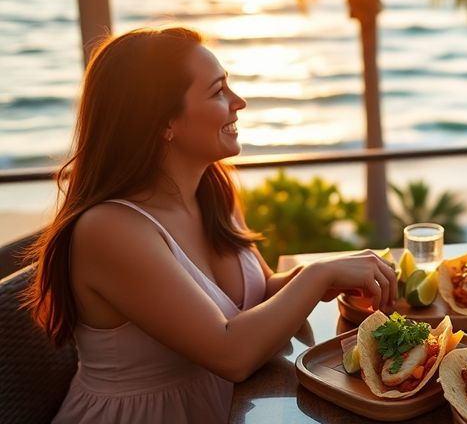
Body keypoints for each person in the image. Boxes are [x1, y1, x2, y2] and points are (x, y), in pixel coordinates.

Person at [20, 27, 397, 422]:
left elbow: (254, 296)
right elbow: (230, 352)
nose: (240, 102)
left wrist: (329, 276)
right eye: (218, 91)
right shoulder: (110, 230)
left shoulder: (211, 190)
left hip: (234, 407)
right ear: (163, 122)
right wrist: (316, 276)